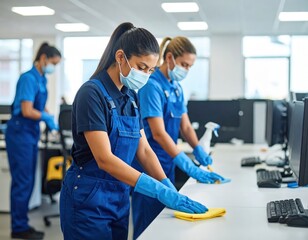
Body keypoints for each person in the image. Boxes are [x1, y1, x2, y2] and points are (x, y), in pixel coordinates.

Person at [59, 22, 207, 240]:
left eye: (150, 70)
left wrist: (166, 184)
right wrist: (157, 189)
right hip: (88, 200)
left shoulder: (131, 96)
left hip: (119, 198)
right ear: (121, 57)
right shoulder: (91, 94)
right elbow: (105, 159)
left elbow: (144, 150)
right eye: (141, 67)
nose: (145, 75)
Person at [131, 36, 225, 239]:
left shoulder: (176, 87)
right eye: (184, 64)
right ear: (170, 58)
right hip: (150, 164)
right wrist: (187, 164)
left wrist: (198, 149)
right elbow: (158, 133)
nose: (186, 70)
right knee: (148, 226)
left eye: (190, 66)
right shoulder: (152, 85)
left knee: (166, 226)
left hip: (168, 163)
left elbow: (186, 126)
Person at [5, 42, 61, 239]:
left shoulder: (41, 79)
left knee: (28, 181)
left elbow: (40, 106)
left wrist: (51, 118)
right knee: (22, 182)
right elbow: (27, 110)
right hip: (20, 133)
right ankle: (18, 227)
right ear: (43, 58)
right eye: (53, 63)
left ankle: (22, 223)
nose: (53, 67)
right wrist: (45, 118)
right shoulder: (28, 78)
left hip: (30, 134)